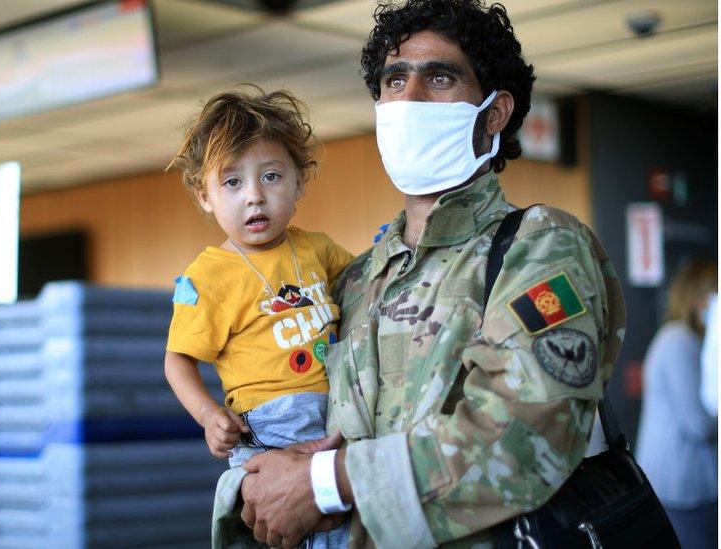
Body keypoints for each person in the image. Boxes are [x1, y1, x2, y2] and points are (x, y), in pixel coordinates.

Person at [231, 1, 627, 547]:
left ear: (494, 113)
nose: (409, 99)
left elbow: (523, 437)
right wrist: (266, 476)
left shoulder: (539, 246)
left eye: (439, 76)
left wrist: (329, 482)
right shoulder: (354, 281)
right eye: (395, 79)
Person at [163, 88, 354, 547]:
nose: (254, 197)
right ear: (204, 195)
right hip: (269, 430)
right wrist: (209, 415)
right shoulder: (208, 277)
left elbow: (367, 288)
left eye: (271, 176)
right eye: (232, 183)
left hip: (337, 415)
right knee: (291, 529)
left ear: (300, 182)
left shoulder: (316, 248)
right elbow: (178, 360)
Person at [636, 260, 718, 549]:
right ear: (697, 296)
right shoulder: (678, 341)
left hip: (691, 484)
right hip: (681, 487)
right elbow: (700, 424)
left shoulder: (692, 340)